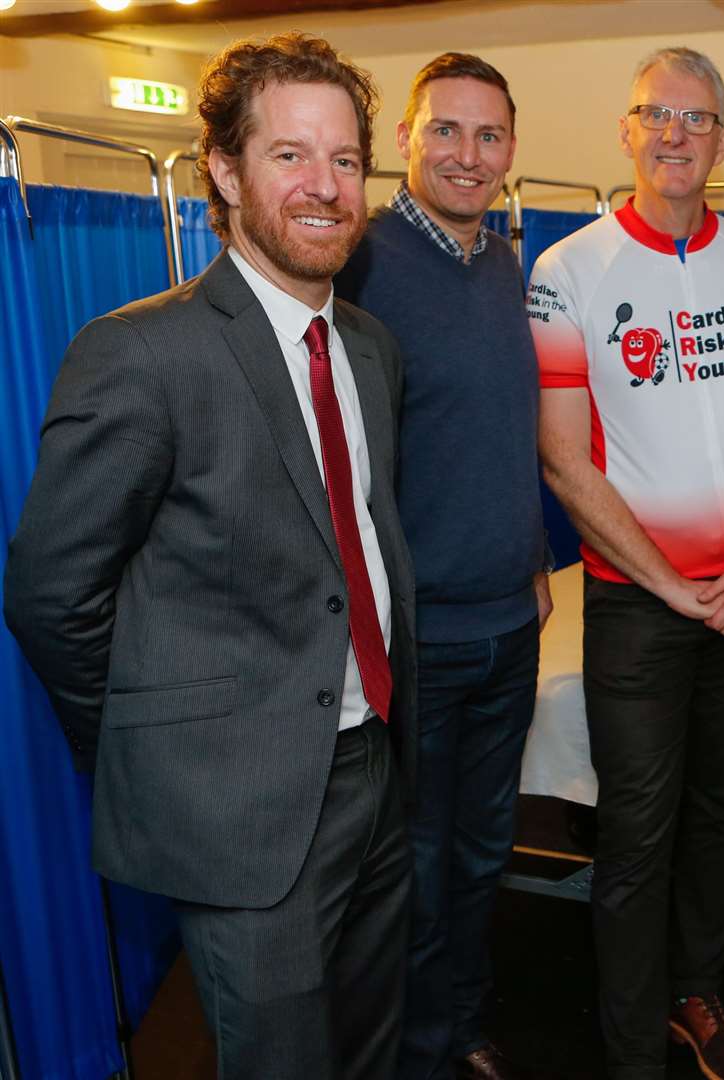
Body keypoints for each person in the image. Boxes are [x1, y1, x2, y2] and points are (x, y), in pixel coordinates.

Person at [3, 32, 415, 1080]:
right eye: (289, 155)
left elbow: (355, 539)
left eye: (345, 159)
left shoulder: (367, 348)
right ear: (225, 173)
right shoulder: (143, 352)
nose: (324, 187)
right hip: (239, 806)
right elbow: (53, 596)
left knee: (370, 1049)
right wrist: (168, 749)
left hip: (373, 770)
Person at [529, 46, 724, 1080]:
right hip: (640, 607)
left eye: (696, 120)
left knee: (722, 813)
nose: (674, 135)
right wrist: (667, 584)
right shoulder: (568, 271)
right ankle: (628, 1048)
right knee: (636, 833)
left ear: (723, 142)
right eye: (655, 115)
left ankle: (698, 996)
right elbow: (563, 461)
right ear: (626, 130)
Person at [334, 52, 553, 1080]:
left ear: (513, 151)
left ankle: (461, 1031)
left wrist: (535, 555)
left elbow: (501, 432)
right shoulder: (362, 266)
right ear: (404, 143)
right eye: (447, 131)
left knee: (480, 858)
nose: (469, 155)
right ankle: (415, 1055)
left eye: (490, 134)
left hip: (511, 625)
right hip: (421, 642)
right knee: (413, 871)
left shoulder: (504, 262)